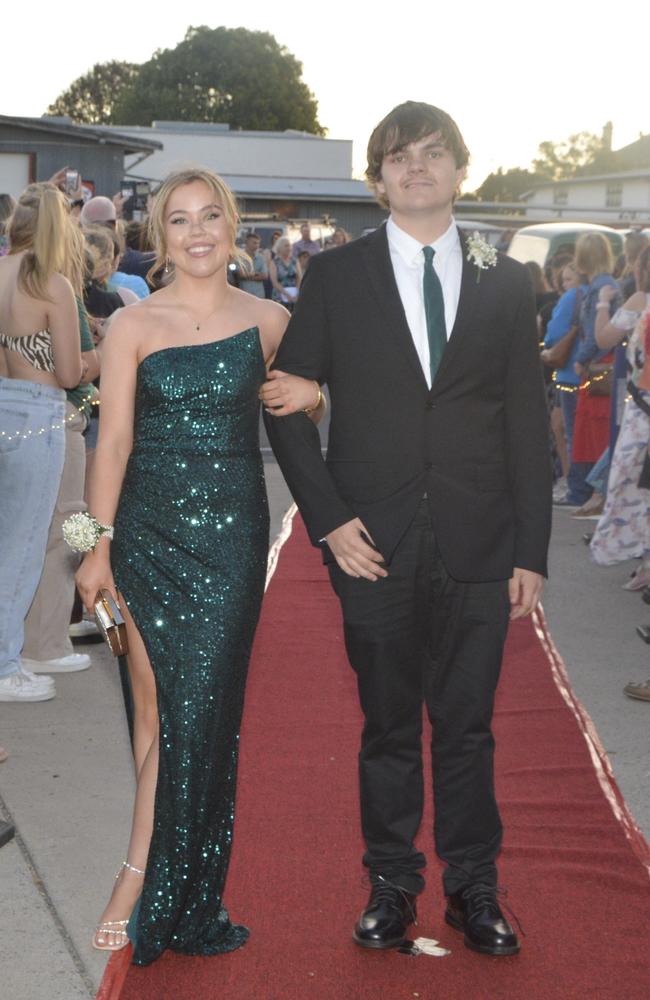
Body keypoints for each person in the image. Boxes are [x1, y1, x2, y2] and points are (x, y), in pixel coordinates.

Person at [263, 101, 551, 958]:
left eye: (433, 155)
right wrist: (329, 520)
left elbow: (526, 425)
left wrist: (531, 549)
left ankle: (473, 889)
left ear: (462, 170)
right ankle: (392, 886)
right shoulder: (336, 277)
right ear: (378, 177)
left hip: (478, 541)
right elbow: (283, 404)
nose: (416, 168)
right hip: (371, 544)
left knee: (468, 726)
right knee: (388, 725)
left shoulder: (503, 277)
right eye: (398, 156)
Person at [74, 167, 321, 963]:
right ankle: (157, 881)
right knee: (154, 715)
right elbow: (108, 445)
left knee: (199, 715)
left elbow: (325, 389)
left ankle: (137, 881)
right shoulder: (132, 325)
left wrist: (315, 395)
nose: (198, 232)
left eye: (210, 215)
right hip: (143, 537)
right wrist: (93, 547)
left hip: (229, 545)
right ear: (161, 235)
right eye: (178, 220)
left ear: (232, 222)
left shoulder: (272, 319)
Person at [0, 183, 83, 703]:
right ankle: (7, 664)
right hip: (39, 412)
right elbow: (72, 372)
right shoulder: (52, 286)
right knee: (25, 545)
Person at [269, 236, 302, 309]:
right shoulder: (274, 262)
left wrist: (297, 294)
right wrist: (286, 294)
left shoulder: (295, 261)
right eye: (286, 246)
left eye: (290, 245)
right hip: (280, 296)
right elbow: (275, 282)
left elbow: (299, 278)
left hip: (295, 296)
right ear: (280, 248)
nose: (289, 248)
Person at [235, 231, 268, 297]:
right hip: (244, 294)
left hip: (259, 295)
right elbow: (241, 274)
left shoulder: (261, 258)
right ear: (247, 242)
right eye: (254, 243)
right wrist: (256, 274)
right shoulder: (239, 257)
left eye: (258, 243)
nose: (257, 245)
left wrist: (248, 275)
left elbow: (265, 276)